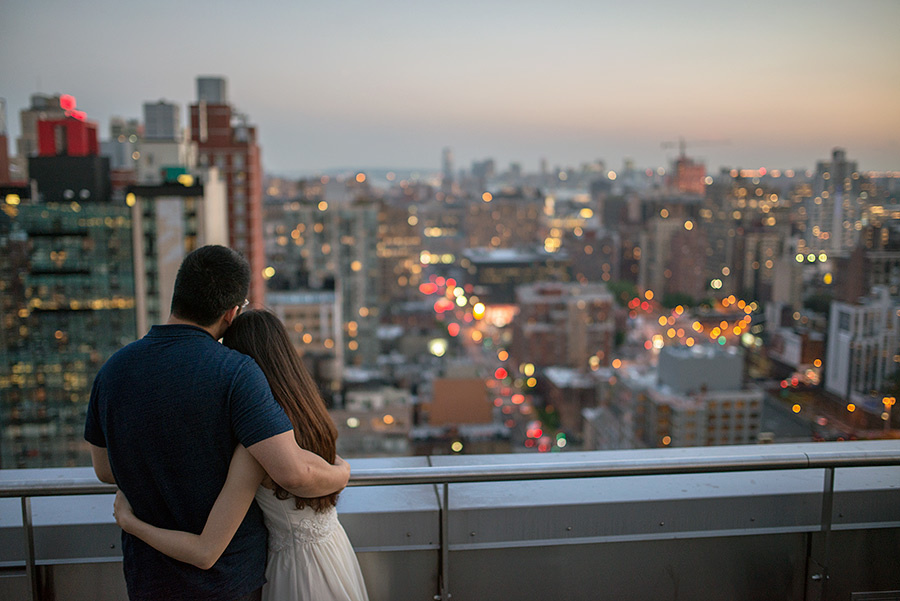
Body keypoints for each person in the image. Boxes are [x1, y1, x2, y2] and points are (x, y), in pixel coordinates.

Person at [85, 245, 350, 601]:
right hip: (229, 579)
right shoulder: (236, 373)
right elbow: (292, 473)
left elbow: (105, 469)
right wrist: (344, 474)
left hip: (148, 577)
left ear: (177, 295)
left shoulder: (112, 371)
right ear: (231, 313)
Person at [113, 309, 369, 601]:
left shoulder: (258, 447)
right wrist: (343, 472)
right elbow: (324, 469)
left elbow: (205, 551)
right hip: (335, 554)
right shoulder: (311, 417)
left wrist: (131, 523)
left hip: (297, 573)